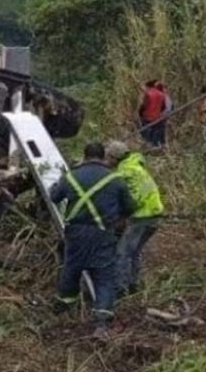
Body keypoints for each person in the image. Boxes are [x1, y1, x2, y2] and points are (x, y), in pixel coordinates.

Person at [49, 141, 135, 340]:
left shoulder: (70, 176)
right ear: (103, 156)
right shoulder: (116, 180)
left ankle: (63, 309)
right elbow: (130, 207)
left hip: (76, 233)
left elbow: (54, 197)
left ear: (85, 155)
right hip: (104, 233)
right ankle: (101, 325)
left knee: (71, 268)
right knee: (104, 276)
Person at [106, 140, 164, 296]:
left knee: (122, 252)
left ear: (114, 157)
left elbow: (133, 200)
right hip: (154, 215)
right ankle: (133, 284)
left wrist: (118, 216)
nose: (107, 161)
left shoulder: (125, 172)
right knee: (134, 252)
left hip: (141, 217)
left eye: (108, 157)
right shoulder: (136, 166)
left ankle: (120, 289)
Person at [138, 80, 167, 147]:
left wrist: (140, 112)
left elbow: (144, 105)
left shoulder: (148, 94)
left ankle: (147, 143)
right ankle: (154, 145)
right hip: (157, 116)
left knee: (145, 130)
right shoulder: (161, 94)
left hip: (147, 116)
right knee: (155, 131)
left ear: (148, 86)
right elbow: (163, 107)